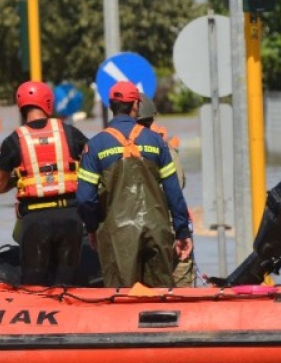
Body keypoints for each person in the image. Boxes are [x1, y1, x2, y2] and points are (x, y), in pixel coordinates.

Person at [75, 81, 193, 288]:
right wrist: (182, 232)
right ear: (136, 106)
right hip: (157, 231)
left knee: (122, 299)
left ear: (111, 106)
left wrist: (93, 228)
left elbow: (85, 199)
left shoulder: (95, 146)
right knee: (160, 297)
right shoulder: (157, 142)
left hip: (117, 237)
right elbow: (174, 192)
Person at [0, 81, 89, 286]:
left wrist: (20, 180)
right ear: (49, 103)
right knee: (67, 285)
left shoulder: (13, 141)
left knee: (33, 286)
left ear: (21, 107)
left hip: (35, 220)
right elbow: (93, 166)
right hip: (70, 217)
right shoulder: (70, 132)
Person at [136, 93, 196, 287]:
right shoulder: (164, 148)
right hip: (171, 229)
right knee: (182, 288)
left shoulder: (113, 148)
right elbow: (178, 186)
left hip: (136, 234)